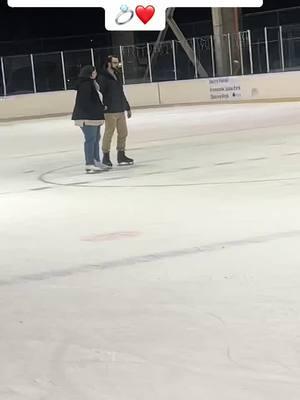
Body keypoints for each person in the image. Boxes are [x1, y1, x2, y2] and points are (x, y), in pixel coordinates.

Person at [72, 65, 109, 174]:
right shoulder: (86, 85)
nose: (96, 73)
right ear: (89, 73)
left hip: (93, 116)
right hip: (87, 117)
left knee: (96, 138)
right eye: (94, 71)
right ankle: (89, 164)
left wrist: (100, 107)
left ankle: (96, 161)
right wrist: (99, 107)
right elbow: (85, 102)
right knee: (90, 139)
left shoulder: (92, 84)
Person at [98, 55, 134, 167]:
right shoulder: (103, 77)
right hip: (109, 110)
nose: (117, 65)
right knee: (109, 133)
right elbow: (100, 93)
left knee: (123, 132)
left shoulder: (117, 75)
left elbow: (121, 92)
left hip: (120, 109)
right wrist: (102, 106)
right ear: (109, 63)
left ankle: (121, 155)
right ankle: (106, 157)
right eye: (114, 63)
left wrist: (127, 107)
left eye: (117, 63)